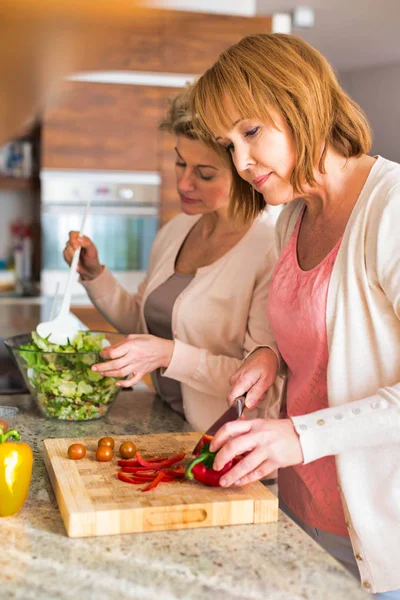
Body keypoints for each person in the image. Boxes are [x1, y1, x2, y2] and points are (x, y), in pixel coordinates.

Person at [189, 33, 400, 598]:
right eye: (227, 144)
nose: (241, 162)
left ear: (304, 102)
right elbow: (307, 324)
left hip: (383, 530)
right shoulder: (292, 217)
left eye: (250, 132)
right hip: (301, 502)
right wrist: (267, 353)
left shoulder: (391, 208)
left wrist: (299, 437)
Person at [64, 91, 282, 432]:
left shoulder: (270, 248)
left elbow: (257, 382)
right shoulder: (177, 230)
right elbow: (144, 323)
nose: (183, 183)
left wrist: (168, 355)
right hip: (168, 424)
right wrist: (94, 274)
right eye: (180, 162)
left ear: (244, 171)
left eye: (205, 174)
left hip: (223, 444)